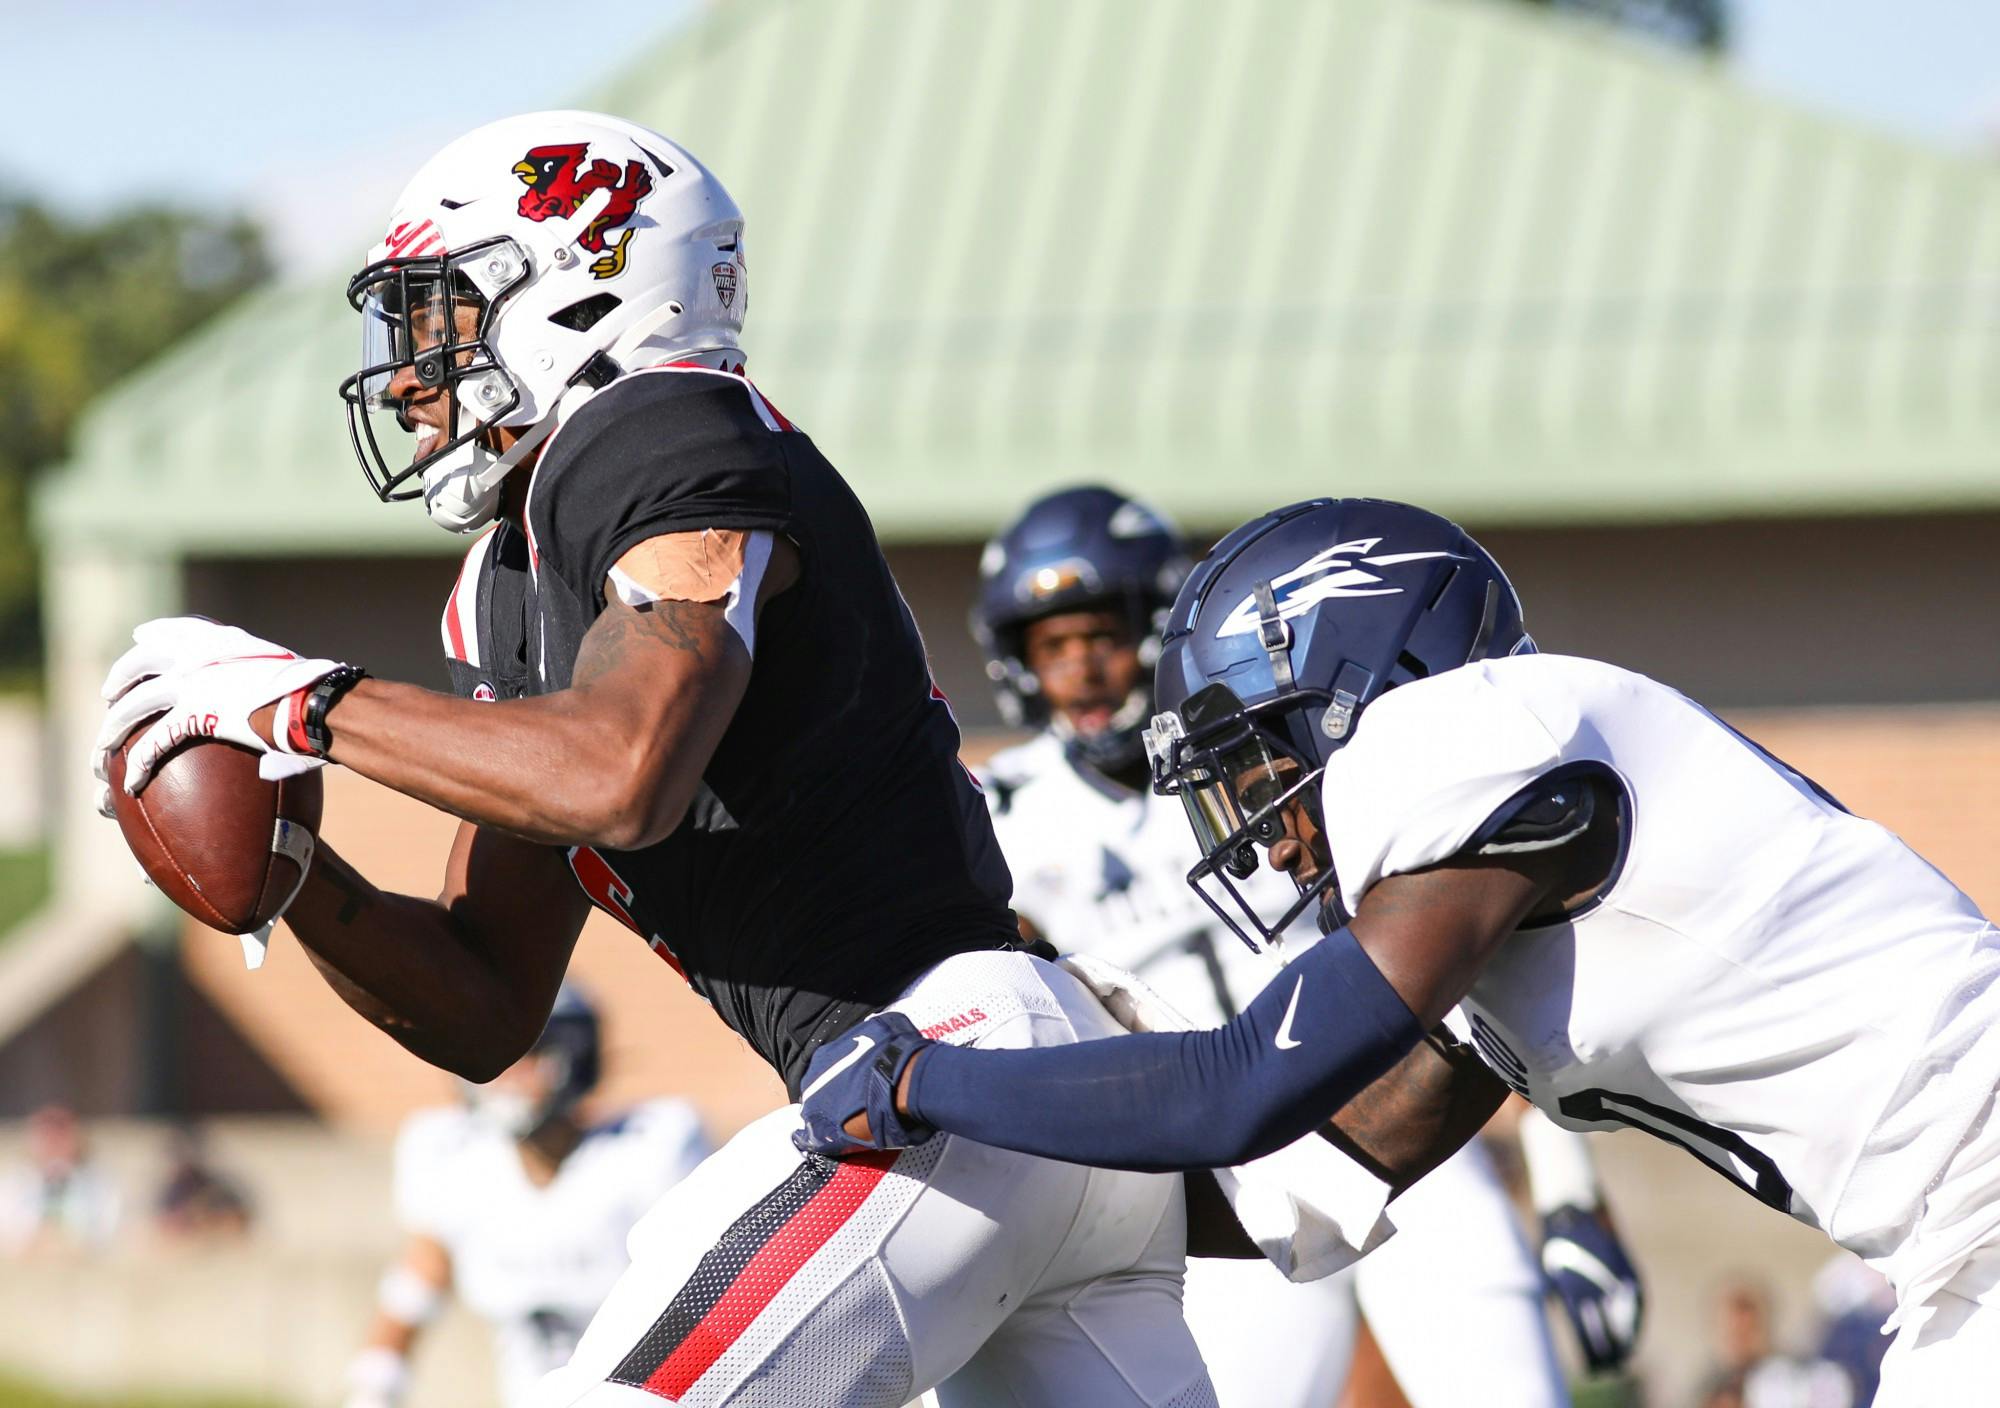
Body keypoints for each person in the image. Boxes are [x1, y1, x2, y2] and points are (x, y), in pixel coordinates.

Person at [93, 111, 1217, 1407]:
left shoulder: (654, 430)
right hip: (1011, 1098)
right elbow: (483, 1003)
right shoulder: (520, 586)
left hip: (947, 1071)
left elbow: (623, 773)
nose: (409, 377)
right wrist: (294, 876)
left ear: (579, 288)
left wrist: (298, 705)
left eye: (441, 317)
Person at [800, 496, 2000, 1405]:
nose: (1265, 844)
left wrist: (925, 1081)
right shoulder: (1486, 909)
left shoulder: (1463, 728)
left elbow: (1236, 1086)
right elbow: (1304, 1177)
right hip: (1955, 1245)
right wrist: (1030, 1213)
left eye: (1259, 768)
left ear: (1353, 682)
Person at [969, 485, 1634, 1403]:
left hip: (1401, 1111)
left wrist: (1567, 1186)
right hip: (1224, 1171)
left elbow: (1480, 969)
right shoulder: (1000, 818)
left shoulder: (1275, 749)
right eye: (1053, 645)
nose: (1082, 669)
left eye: (1100, 635)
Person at [344, 989, 708, 1408]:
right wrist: (373, 1389)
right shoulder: (455, 1158)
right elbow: (419, 1279)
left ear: (575, 1056)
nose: (505, 1075)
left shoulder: (650, 1149)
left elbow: (702, 1294)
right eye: (490, 1056)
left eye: (526, 1055)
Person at [0, 1105, 121, 1256]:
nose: (53, 1140)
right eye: (46, 1133)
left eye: (61, 1131)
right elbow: (7, 1238)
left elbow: (108, 1234)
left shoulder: (99, 1183)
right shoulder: (11, 1183)